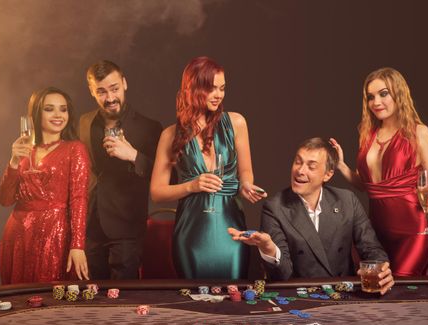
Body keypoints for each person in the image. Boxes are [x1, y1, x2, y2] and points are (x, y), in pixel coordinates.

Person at [228, 137, 394, 295]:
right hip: (301, 298)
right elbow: (282, 276)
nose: (300, 171)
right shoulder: (274, 208)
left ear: (328, 174)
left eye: (311, 166)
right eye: (298, 162)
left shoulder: (347, 200)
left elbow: (371, 248)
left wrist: (381, 269)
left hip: (344, 296)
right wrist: (269, 248)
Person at [150, 56, 267, 279]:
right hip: (191, 234)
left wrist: (246, 185)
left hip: (231, 230)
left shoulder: (236, 122)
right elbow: (156, 192)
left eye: (222, 88)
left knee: (234, 298)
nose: (218, 95)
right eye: (211, 88)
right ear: (192, 89)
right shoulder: (170, 135)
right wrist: (192, 186)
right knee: (195, 300)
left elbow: (245, 171)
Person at [330, 67, 428, 277]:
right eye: (371, 97)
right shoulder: (367, 135)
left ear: (398, 93)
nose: (376, 102)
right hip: (375, 229)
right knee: (374, 290)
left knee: (401, 289)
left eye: (384, 94)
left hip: (413, 228)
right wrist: (342, 167)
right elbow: (367, 186)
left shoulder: (419, 132)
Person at [79, 60, 162, 279]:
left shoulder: (149, 128)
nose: (110, 98)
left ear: (124, 83)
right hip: (91, 228)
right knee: (92, 300)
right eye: (101, 92)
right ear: (91, 91)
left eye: (114, 89)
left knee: (123, 300)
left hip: (127, 230)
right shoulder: (84, 123)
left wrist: (133, 156)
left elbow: (168, 177)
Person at [0, 87, 90, 284]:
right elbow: (5, 200)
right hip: (18, 235)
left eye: (63, 109)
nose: (58, 115)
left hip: (54, 234)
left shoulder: (75, 149)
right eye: (50, 109)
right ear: (37, 114)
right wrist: (14, 161)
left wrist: (78, 245)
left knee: (50, 299)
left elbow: (79, 199)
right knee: (17, 299)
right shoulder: (24, 150)